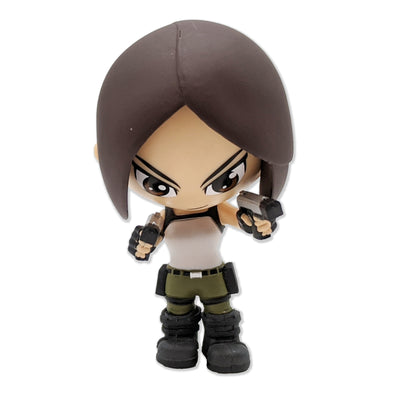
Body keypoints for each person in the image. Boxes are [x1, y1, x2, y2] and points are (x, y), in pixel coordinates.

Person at [95, 20, 293, 373]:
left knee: (220, 313)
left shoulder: (217, 212)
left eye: (227, 177)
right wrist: (143, 244)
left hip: (214, 276)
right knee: (177, 316)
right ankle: (179, 340)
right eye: (156, 184)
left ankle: (223, 340)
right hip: (177, 278)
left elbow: (242, 219)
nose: (191, 193)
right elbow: (148, 239)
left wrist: (258, 224)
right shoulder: (165, 218)